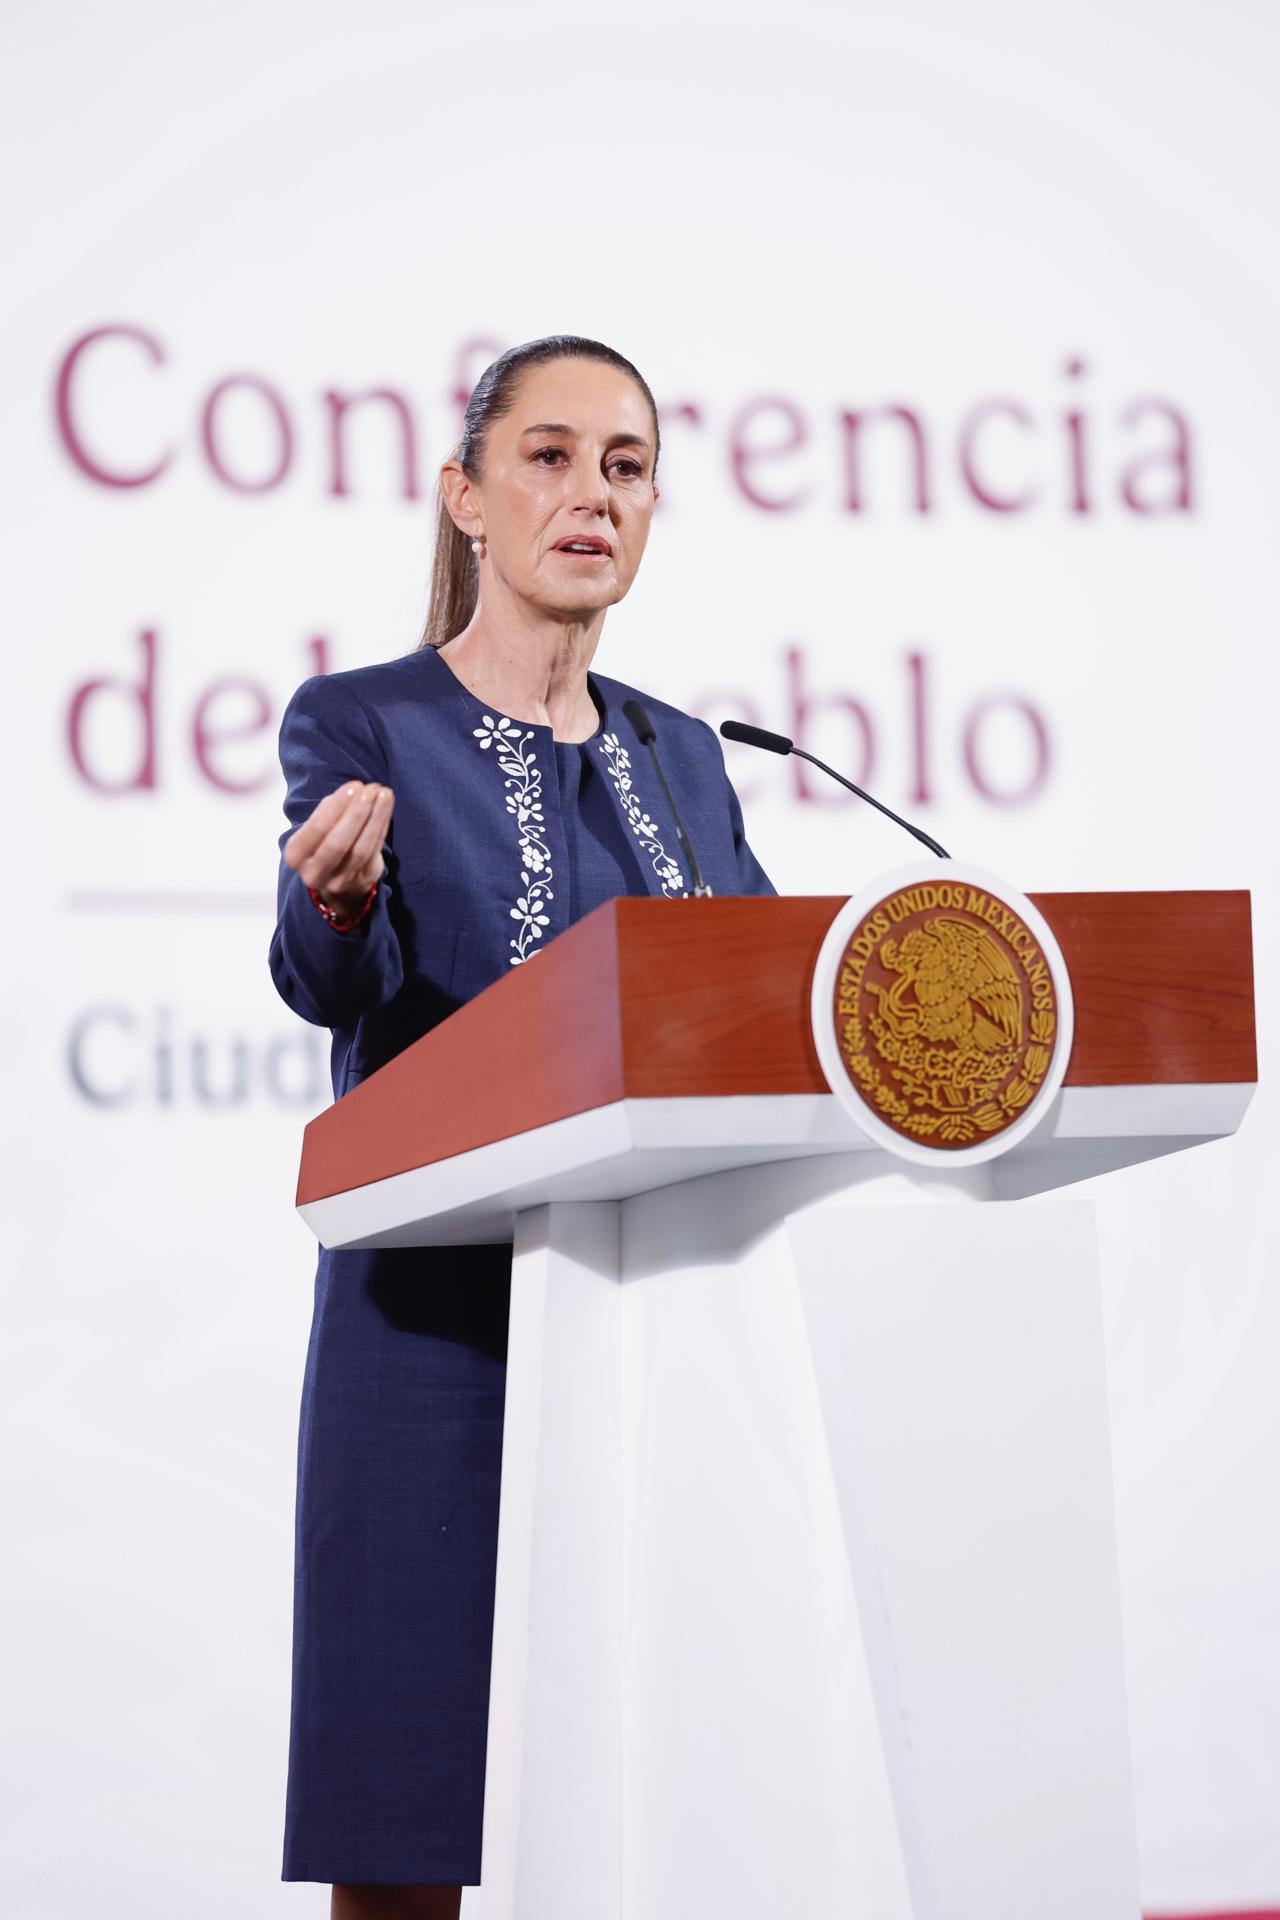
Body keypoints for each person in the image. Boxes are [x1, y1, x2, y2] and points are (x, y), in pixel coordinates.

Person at [268, 335, 775, 1920]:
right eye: (550, 457)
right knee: (410, 1824)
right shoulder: (363, 721)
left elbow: (762, 998)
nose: (591, 495)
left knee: (664, 1798)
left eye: (625, 466)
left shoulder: (681, 754)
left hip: (654, 1329)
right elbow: (321, 975)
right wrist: (336, 906)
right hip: (435, 1330)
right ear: (465, 497)